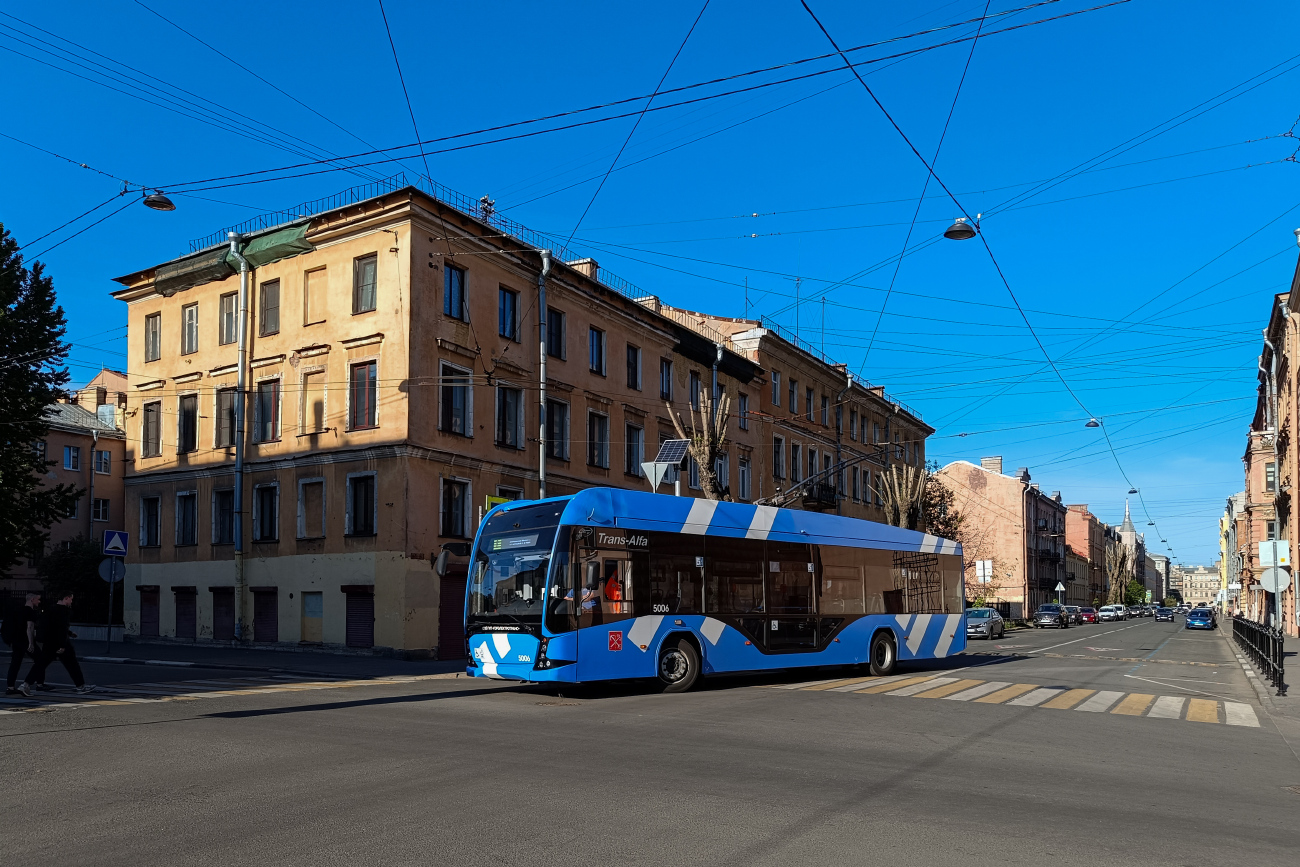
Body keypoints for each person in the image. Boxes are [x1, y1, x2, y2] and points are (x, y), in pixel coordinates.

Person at [20, 593, 96, 696]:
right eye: (71, 599)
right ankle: (80, 686)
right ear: (66, 598)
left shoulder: (50, 609)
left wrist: (69, 633)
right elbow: (62, 628)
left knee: (41, 664)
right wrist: (63, 645)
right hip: (60, 643)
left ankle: (25, 684)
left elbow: (51, 626)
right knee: (73, 664)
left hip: (49, 642)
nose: (71, 602)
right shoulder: (64, 611)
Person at [3, 593, 41, 695]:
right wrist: (31, 643)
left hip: (16, 640)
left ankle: (10, 687)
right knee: (41, 660)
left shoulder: (17, 610)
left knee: (15, 663)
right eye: (38, 599)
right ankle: (27, 684)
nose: (39, 601)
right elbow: (29, 628)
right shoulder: (30, 611)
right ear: (32, 599)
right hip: (25, 640)